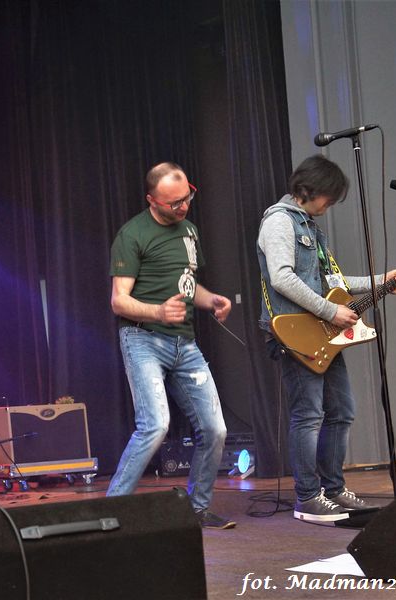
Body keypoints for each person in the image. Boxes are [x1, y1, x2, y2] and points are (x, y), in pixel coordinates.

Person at [257, 154, 396, 524]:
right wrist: (330, 312)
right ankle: (308, 498)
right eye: (329, 196)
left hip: (322, 333)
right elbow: (282, 278)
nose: (330, 204)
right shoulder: (279, 221)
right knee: (308, 415)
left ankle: (334, 489)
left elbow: (333, 282)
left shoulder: (310, 226)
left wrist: (382, 279)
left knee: (341, 411)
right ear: (309, 189)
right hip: (296, 334)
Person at [107, 161, 235, 529]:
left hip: (184, 344)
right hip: (142, 338)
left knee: (215, 430)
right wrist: (158, 312)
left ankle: (196, 509)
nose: (183, 207)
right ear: (152, 200)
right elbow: (118, 301)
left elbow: (188, 286)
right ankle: (109, 511)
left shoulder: (190, 230)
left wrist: (211, 300)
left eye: (187, 198)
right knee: (155, 425)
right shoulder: (132, 234)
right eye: (173, 203)